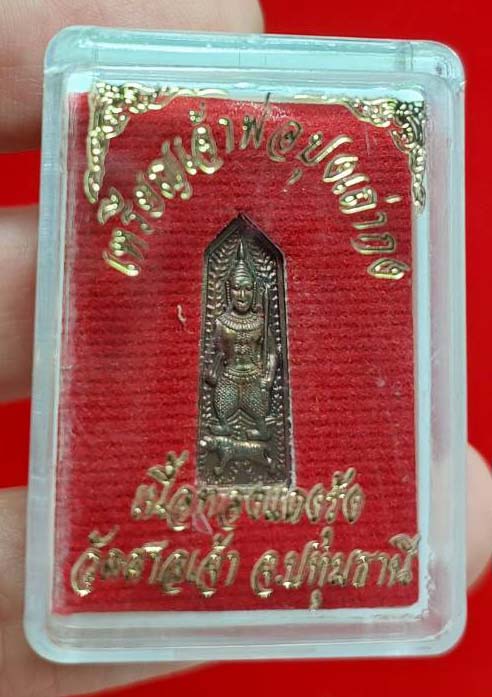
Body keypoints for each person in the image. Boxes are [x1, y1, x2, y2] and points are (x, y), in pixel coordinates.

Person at [0, 2, 490, 696]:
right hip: (230, 387)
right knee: (230, 400)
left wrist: (260, 362)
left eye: (242, 289)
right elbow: (225, 357)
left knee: (252, 399)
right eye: (232, 289)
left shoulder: (259, 306)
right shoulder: (228, 311)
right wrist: (239, 356)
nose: (237, 295)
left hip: (255, 388)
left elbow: (261, 357)